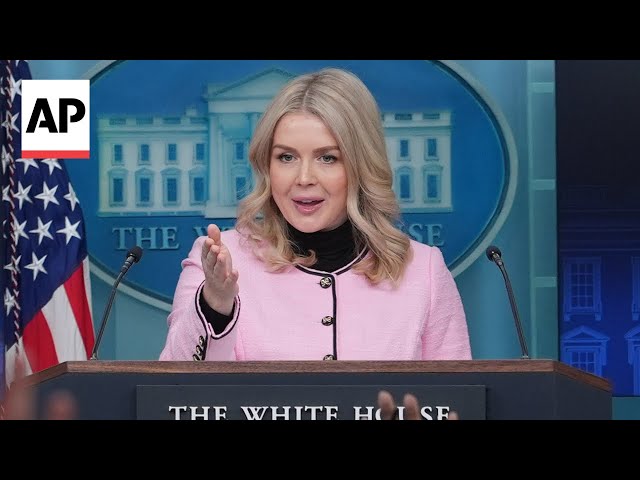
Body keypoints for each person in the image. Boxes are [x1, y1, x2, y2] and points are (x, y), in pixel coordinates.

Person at [159, 68, 472, 414]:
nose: (304, 178)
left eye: (328, 158)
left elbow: (458, 404)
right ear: (267, 166)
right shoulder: (221, 258)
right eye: (286, 157)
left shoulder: (424, 270)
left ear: (361, 165)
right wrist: (216, 305)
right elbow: (172, 398)